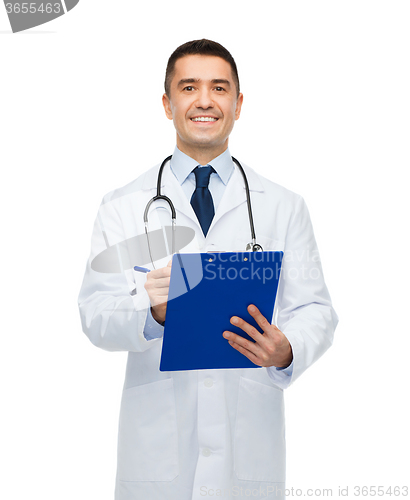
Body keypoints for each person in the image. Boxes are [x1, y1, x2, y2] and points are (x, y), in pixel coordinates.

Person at [78, 39, 338, 500]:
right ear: (167, 103)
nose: (204, 100)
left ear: (238, 105)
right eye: (188, 87)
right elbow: (95, 313)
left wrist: (287, 349)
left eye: (219, 88)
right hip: (156, 457)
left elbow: (316, 309)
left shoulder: (282, 206)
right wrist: (152, 315)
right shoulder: (122, 206)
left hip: (248, 449)